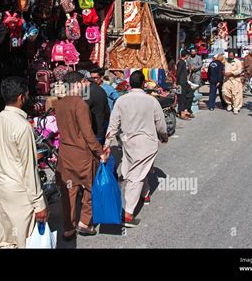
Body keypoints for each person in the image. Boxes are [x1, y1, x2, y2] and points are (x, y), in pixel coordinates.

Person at [0, 77, 48, 248]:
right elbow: (28, 169)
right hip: (20, 193)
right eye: (27, 95)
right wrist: (39, 203)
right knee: (23, 240)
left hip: (2, 188)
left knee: (6, 237)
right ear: (21, 97)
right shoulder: (23, 126)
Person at [104, 71, 168, 227]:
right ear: (144, 83)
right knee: (136, 176)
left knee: (138, 169)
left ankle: (145, 194)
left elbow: (113, 125)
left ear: (129, 84)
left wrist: (106, 144)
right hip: (147, 143)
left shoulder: (121, 101)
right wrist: (164, 136)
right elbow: (160, 123)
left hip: (128, 142)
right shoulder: (151, 101)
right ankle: (128, 213)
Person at [55, 71, 107, 240]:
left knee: (69, 191)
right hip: (82, 156)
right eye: (84, 82)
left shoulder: (60, 104)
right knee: (91, 188)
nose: (87, 85)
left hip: (65, 154)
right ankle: (84, 222)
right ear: (77, 84)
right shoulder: (80, 104)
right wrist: (100, 152)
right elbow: (88, 134)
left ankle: (68, 228)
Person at [81, 70, 110, 144]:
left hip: (95, 130)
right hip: (101, 127)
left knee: (97, 152)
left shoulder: (88, 92)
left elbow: (83, 113)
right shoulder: (99, 89)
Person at [222, 50, 244, 114]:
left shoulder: (237, 62)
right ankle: (229, 104)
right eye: (229, 55)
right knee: (224, 92)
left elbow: (239, 70)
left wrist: (231, 73)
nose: (230, 56)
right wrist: (223, 73)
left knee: (236, 94)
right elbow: (223, 69)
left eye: (231, 56)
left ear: (234, 55)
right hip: (227, 80)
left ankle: (236, 107)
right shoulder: (226, 61)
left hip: (235, 80)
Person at [176, 50, 195, 120]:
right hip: (181, 83)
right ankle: (181, 113)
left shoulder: (183, 62)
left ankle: (186, 110)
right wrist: (176, 83)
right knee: (181, 98)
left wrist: (188, 70)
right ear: (186, 55)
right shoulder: (181, 62)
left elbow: (183, 73)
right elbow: (178, 73)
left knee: (190, 94)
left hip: (184, 82)